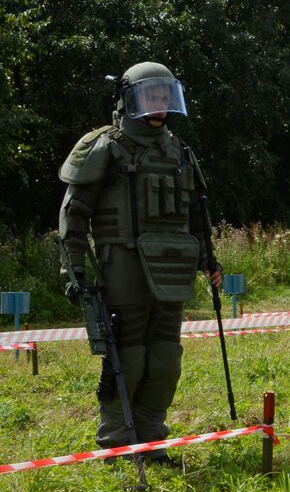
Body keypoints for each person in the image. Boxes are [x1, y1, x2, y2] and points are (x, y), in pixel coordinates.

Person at [57, 61, 220, 460]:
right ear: (128, 99)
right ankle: (117, 440)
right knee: (127, 355)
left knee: (166, 357)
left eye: (165, 96)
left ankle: (151, 436)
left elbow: (197, 214)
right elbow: (74, 214)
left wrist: (209, 259)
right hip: (122, 267)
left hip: (173, 268)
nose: (159, 105)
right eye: (150, 96)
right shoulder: (105, 147)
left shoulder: (179, 151)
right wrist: (73, 269)